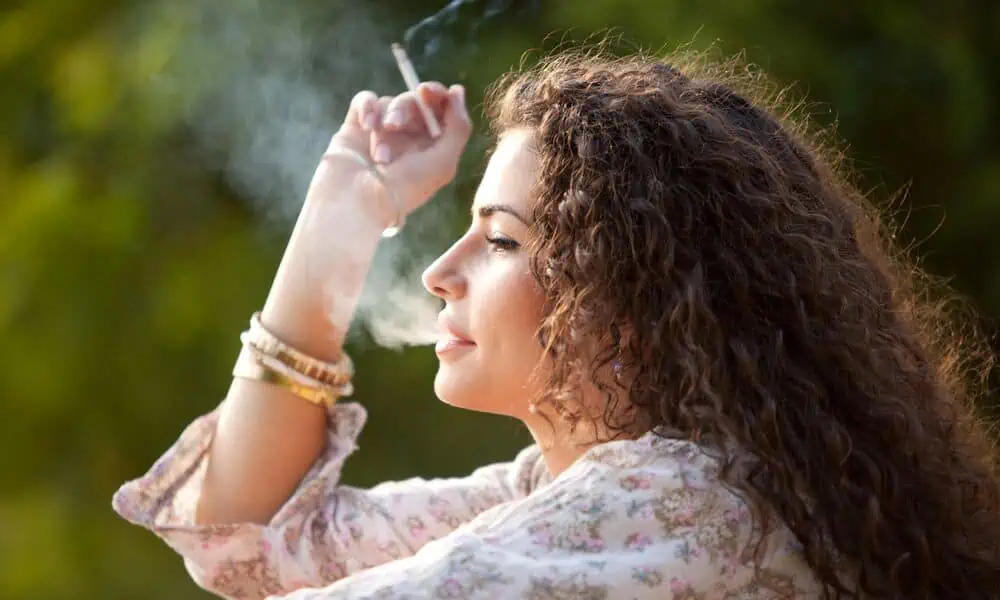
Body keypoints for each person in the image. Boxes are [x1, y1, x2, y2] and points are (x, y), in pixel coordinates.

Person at [113, 48, 1000, 599]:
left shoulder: (681, 505)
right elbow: (251, 548)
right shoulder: (570, 490)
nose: (436, 273)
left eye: (499, 240)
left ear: (633, 291)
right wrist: (341, 218)